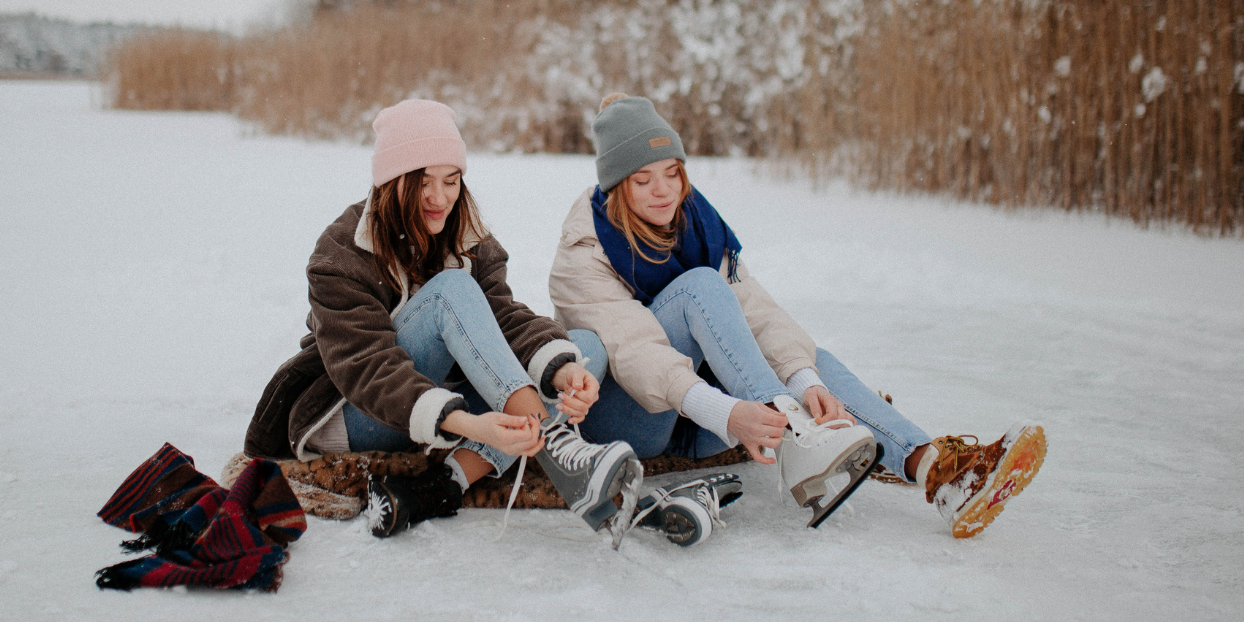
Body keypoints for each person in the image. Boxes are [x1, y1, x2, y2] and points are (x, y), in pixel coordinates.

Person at [548, 94, 1048, 538]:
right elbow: (638, 354)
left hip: (704, 425)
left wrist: (805, 380)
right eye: (643, 179)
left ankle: (936, 472)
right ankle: (796, 440)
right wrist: (731, 412)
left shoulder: (696, 222)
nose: (664, 191)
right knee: (701, 287)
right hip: (636, 418)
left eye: (672, 173)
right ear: (617, 186)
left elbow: (756, 313)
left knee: (811, 362)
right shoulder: (585, 248)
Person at [233, 100, 642, 539]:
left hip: (439, 399)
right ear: (392, 183)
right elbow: (369, 370)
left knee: (583, 349)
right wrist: (468, 423)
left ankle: (441, 484)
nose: (439, 197)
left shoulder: (469, 237)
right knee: (453, 290)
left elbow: (502, 317)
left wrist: (563, 371)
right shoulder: (341, 253)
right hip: (354, 410)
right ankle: (559, 446)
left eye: (451, 181)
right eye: (421, 183)